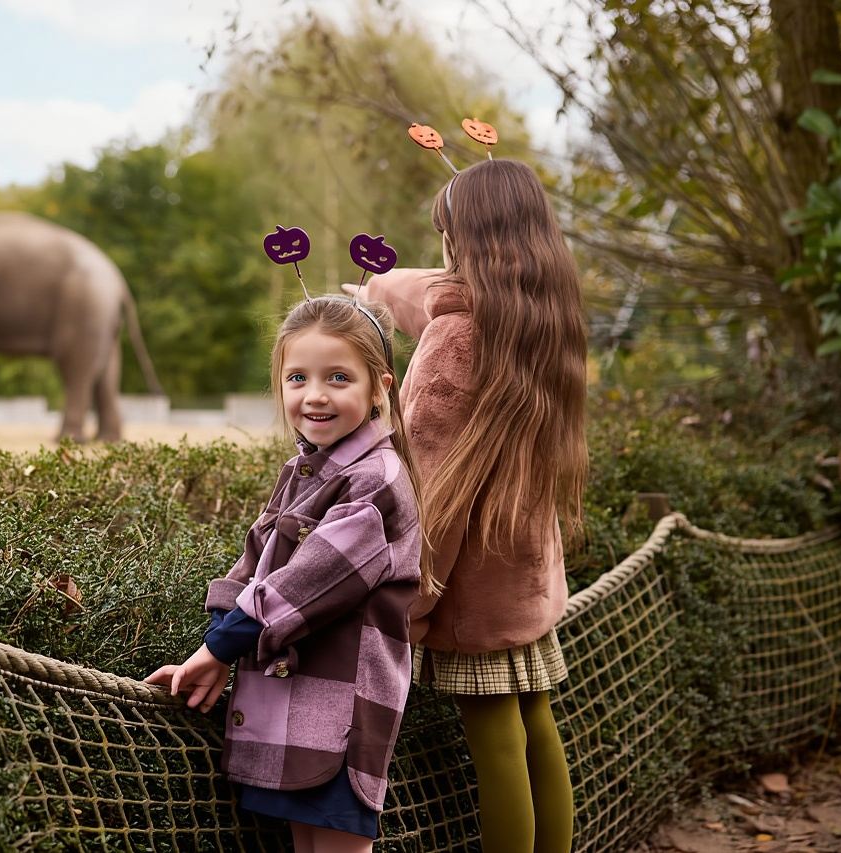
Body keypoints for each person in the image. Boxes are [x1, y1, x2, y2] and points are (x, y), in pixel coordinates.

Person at [344, 158, 586, 853]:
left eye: (445, 234)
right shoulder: (538, 321)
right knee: (537, 726)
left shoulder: (456, 341)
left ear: (464, 241)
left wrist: (411, 598)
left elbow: (433, 491)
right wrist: (380, 287)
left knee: (498, 745)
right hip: (526, 578)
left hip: (470, 588)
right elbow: (432, 292)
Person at [146, 295, 435, 852]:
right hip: (290, 705)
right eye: (297, 377)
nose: (315, 395)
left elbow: (306, 583)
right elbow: (257, 558)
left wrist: (220, 649)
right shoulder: (303, 468)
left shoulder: (373, 480)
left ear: (380, 387)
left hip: (340, 710)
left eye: (338, 378)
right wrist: (216, 636)